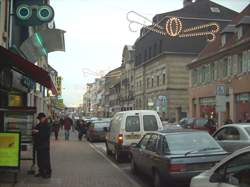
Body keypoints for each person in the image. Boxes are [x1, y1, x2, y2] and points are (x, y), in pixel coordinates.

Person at [33, 113, 51, 178]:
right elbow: (35, 131)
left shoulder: (47, 125)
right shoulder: (38, 125)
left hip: (44, 146)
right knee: (39, 160)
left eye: (41, 118)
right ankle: (41, 172)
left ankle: (46, 173)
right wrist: (34, 132)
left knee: (45, 160)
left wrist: (37, 132)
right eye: (39, 119)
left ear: (44, 118)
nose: (40, 120)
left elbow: (45, 135)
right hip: (39, 145)